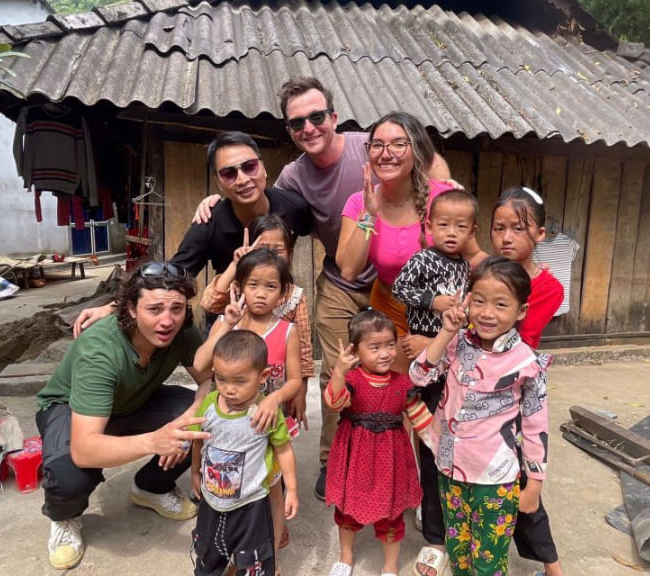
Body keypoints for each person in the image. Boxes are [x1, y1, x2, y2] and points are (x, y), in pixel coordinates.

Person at [193, 77, 466, 501]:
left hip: (392, 283)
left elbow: (430, 161)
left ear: (333, 117)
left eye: (317, 117)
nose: (309, 128)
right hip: (340, 279)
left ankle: (402, 466)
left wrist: (448, 191)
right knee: (338, 372)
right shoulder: (293, 176)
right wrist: (212, 201)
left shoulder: (372, 145)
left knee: (399, 377)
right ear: (289, 130)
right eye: (297, 122)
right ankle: (331, 462)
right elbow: (257, 196)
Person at [35, 261, 211, 570]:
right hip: (69, 409)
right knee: (70, 475)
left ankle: (151, 487)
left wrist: (194, 414)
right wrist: (156, 441)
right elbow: (86, 448)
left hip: (133, 403)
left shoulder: (181, 331)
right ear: (131, 308)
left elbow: (209, 378)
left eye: (177, 309)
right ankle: (65, 517)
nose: (167, 321)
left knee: (205, 419)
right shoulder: (100, 349)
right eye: (154, 309)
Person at [72, 131, 313, 336]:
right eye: (229, 173)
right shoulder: (209, 222)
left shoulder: (294, 208)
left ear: (263, 169)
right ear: (219, 182)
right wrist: (115, 306)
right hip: (226, 314)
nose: (242, 179)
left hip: (278, 307)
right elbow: (174, 274)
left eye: (249, 166)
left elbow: (323, 234)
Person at [409, 256, 550, 576]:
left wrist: (535, 485)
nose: (487, 313)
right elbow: (418, 375)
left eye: (501, 304)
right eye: (480, 301)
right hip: (450, 471)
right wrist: (445, 332)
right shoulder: (457, 343)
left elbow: (536, 425)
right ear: (467, 302)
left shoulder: (527, 363)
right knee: (458, 556)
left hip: (495, 481)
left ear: (521, 311)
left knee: (488, 564)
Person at [194, 248, 303, 565]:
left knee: (272, 489)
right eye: (253, 284)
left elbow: (295, 380)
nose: (261, 294)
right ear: (239, 287)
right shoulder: (230, 323)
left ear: (282, 292)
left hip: (268, 423)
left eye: (271, 286)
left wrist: (274, 397)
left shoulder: (288, 331)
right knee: (235, 488)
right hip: (230, 424)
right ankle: (230, 551)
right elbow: (201, 364)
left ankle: (271, 555)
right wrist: (225, 325)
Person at [391, 188, 477, 576]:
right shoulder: (423, 258)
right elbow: (399, 289)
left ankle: (452, 513)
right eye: (443, 225)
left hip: (454, 366)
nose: (451, 233)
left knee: (452, 441)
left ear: (472, 230)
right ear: (428, 227)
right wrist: (433, 301)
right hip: (425, 365)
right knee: (428, 442)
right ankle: (432, 526)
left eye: (460, 226)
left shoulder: (467, 268)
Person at [336, 111, 457, 373]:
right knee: (402, 395)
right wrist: (369, 214)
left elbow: (472, 259)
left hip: (445, 312)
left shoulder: (446, 197)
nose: (385, 153)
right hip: (392, 309)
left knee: (443, 394)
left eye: (398, 144)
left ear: (417, 152)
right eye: (377, 145)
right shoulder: (359, 202)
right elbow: (348, 269)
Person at [490, 186, 564, 576]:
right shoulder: (485, 272)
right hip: (482, 394)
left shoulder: (549, 289)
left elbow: (507, 335)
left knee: (524, 486)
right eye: (499, 227)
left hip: (519, 397)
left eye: (518, 228)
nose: (506, 237)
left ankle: (553, 569)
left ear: (540, 234)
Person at [324, 309, 426, 576]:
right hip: (354, 455)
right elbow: (334, 401)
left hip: (390, 460)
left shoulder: (403, 383)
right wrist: (338, 371)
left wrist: (440, 446)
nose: (385, 353)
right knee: (347, 509)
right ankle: (345, 557)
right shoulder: (352, 379)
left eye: (390, 345)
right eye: (375, 347)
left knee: (391, 512)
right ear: (356, 351)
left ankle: (390, 566)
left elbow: (420, 417)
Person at [190, 330, 298, 576]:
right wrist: (195, 473)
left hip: (251, 505)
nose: (229, 389)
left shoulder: (266, 412)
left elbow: (284, 449)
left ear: (263, 376)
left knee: (252, 561)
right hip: (212, 501)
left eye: (240, 381)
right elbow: (198, 442)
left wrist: (291, 489)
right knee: (208, 556)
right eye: (222, 379)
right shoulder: (209, 405)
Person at [200, 214, 315, 403]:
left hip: (273, 392)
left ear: (290, 252)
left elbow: (303, 351)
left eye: (278, 250)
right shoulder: (240, 290)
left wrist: (300, 393)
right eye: (262, 249)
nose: (270, 255)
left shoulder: (294, 296)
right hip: (235, 386)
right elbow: (210, 302)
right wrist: (236, 265)